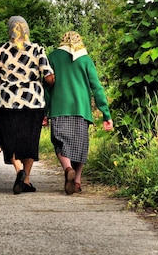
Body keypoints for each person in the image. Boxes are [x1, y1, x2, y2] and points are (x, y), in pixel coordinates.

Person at [0, 16, 55, 194]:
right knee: (30, 140)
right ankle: (26, 178)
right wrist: (52, 81)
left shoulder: (0, 50)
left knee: (10, 139)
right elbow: (48, 76)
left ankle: (19, 171)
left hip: (8, 101)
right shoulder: (37, 49)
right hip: (33, 101)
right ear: (27, 29)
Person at [45, 31, 113, 195]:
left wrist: (45, 111)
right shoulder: (86, 60)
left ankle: (68, 168)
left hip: (59, 107)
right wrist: (106, 114)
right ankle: (77, 181)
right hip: (81, 109)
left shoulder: (52, 57)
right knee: (80, 146)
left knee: (60, 142)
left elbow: (46, 86)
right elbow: (97, 88)